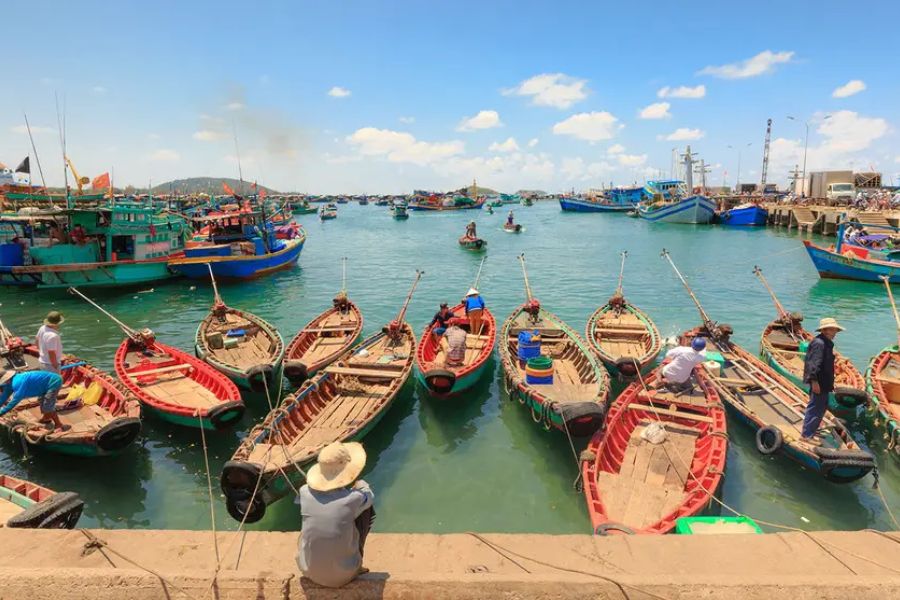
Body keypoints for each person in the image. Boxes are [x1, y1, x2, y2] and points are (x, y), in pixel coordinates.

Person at [297, 442, 374, 588]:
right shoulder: (353, 498)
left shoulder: (304, 491)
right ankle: (357, 565)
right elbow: (369, 496)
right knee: (366, 510)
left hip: (308, 570)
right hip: (344, 575)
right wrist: (361, 484)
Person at [801, 318, 842, 444]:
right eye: (833, 330)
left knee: (821, 407)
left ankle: (811, 430)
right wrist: (814, 382)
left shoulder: (826, 343)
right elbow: (813, 365)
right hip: (819, 382)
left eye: (835, 330)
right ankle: (806, 435)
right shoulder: (820, 343)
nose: (835, 332)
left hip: (824, 382)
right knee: (815, 407)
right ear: (825, 330)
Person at [0, 369, 69, 431]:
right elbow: (4, 396)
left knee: (47, 405)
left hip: (54, 382)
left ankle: (59, 424)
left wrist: (2, 412)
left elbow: (15, 401)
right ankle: (46, 418)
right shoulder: (10, 383)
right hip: (44, 385)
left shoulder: (17, 382)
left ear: (6, 380)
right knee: (41, 400)